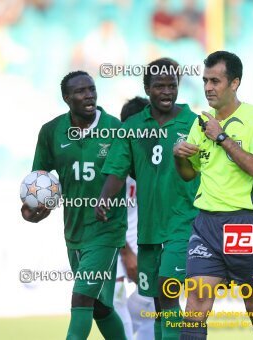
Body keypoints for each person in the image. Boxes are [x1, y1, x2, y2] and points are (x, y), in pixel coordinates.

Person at [173, 50, 253, 340]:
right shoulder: (201, 123)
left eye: (216, 81)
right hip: (206, 225)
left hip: (245, 224)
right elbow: (188, 174)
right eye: (205, 80)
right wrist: (179, 157)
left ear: (234, 83)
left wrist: (221, 137)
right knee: (195, 304)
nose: (208, 87)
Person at [96, 58, 199, 340]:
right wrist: (104, 198)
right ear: (147, 88)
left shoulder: (194, 124)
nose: (166, 92)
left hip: (184, 224)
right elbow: (117, 170)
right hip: (149, 229)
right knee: (156, 302)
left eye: (172, 85)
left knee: (168, 292)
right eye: (159, 86)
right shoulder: (131, 127)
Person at [21, 71, 127, 340]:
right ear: (67, 98)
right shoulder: (51, 132)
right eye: (80, 91)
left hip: (106, 230)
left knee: (80, 299)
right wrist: (30, 210)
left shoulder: (115, 129)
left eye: (92, 89)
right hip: (74, 232)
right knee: (98, 307)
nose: (89, 94)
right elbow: (38, 181)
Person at [113, 96, 156, 340]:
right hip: (117, 241)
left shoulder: (159, 156)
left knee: (155, 302)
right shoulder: (115, 160)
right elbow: (106, 212)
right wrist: (126, 251)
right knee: (116, 295)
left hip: (149, 242)